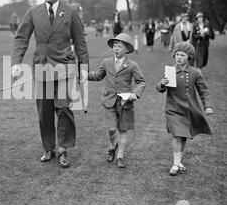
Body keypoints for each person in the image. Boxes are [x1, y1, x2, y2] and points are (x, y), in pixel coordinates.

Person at [11, 0, 89, 168]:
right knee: (44, 111)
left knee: (63, 107)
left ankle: (63, 149)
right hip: (42, 67)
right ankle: (48, 148)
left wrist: (84, 69)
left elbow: (80, 42)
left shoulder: (70, 12)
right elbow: (21, 38)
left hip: (64, 67)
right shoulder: (33, 12)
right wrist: (16, 64)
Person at [88, 33, 146, 168]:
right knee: (112, 129)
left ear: (127, 49)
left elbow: (142, 82)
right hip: (109, 100)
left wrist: (134, 94)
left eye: (119, 46)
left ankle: (120, 156)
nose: (116, 49)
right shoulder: (107, 62)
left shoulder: (132, 65)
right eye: (114, 46)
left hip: (125, 103)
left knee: (123, 130)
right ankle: (112, 146)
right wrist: (84, 75)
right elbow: (98, 76)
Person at [156, 42, 213, 176]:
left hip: (188, 109)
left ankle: (179, 161)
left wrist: (208, 106)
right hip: (173, 109)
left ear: (189, 57)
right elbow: (159, 88)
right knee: (176, 135)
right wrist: (162, 84)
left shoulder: (195, 72)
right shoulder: (170, 71)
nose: (179, 58)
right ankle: (175, 164)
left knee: (183, 136)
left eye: (182, 55)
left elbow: (204, 91)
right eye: (177, 55)